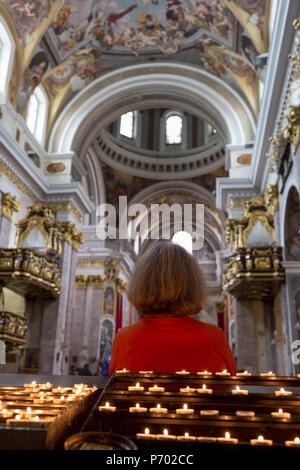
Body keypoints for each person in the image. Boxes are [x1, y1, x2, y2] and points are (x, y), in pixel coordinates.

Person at [109, 241, 236, 375]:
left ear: (143, 285)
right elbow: (229, 389)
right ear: (193, 286)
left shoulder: (123, 339)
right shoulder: (215, 338)